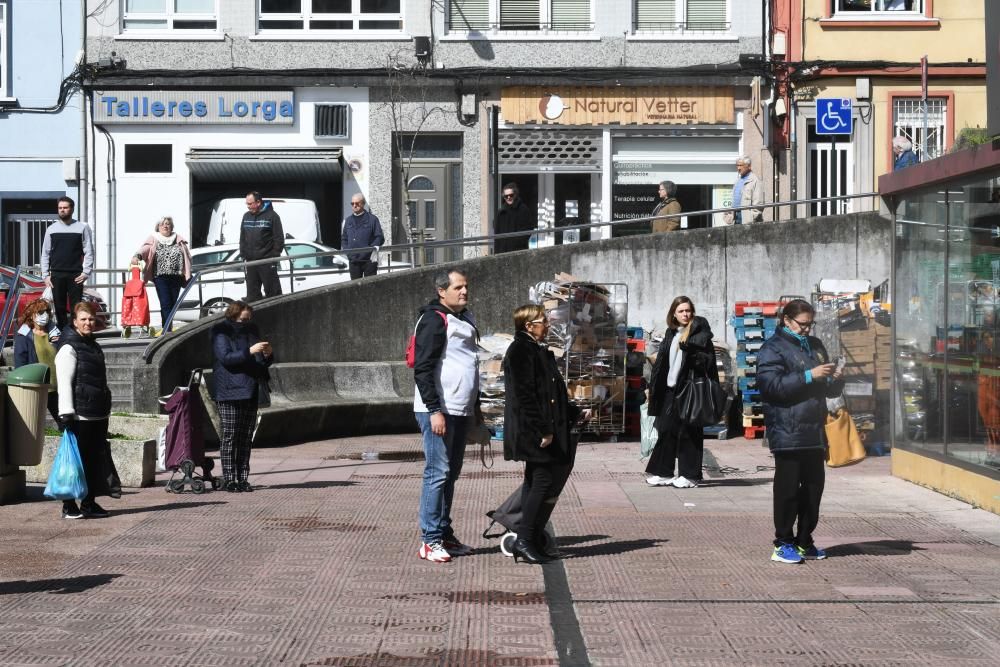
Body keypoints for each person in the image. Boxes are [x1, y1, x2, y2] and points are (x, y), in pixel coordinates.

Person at [757, 299, 844, 564]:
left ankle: (805, 539)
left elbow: (827, 389)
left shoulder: (815, 346)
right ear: (787, 320)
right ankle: (783, 541)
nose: (807, 329)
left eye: (810, 324)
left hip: (814, 430)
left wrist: (835, 379)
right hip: (788, 429)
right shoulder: (772, 349)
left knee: (814, 488)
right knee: (788, 489)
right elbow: (772, 387)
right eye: (802, 324)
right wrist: (809, 375)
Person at [502, 304, 585, 564]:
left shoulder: (539, 351)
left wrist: (574, 413)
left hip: (545, 427)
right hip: (533, 430)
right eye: (542, 321)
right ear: (529, 326)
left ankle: (531, 536)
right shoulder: (520, 351)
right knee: (541, 482)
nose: (547, 325)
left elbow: (552, 393)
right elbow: (526, 396)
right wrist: (544, 430)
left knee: (537, 482)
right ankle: (525, 539)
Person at [412, 268, 481, 563]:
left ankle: (443, 533)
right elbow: (423, 369)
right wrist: (434, 410)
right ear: (442, 291)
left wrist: (475, 411)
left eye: (466, 286)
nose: (464, 291)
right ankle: (429, 540)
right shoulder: (433, 319)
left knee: (450, 475)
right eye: (458, 287)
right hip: (438, 410)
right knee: (437, 473)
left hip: (460, 408)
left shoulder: (465, 318)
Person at [645, 296, 718, 489]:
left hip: (690, 389)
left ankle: (690, 475)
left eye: (688, 310)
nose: (686, 314)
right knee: (666, 430)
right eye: (681, 311)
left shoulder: (700, 334)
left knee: (689, 432)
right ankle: (663, 472)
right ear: (674, 314)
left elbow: (707, 362)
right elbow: (662, 363)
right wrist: (653, 388)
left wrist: (692, 352)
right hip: (670, 389)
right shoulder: (671, 333)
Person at [54, 302, 114, 519]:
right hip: (79, 414)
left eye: (91, 319)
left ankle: (89, 503)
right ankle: (69, 505)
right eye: (83, 319)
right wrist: (66, 413)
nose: (88, 323)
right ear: (74, 321)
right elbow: (64, 382)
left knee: (92, 461)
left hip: (97, 412)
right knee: (74, 462)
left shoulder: (93, 345)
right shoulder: (69, 347)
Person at [211, 301, 273, 493]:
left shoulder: (251, 329)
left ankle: (242, 477)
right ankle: (230, 479)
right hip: (229, 389)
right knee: (230, 435)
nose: (246, 322)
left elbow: (260, 362)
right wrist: (249, 351)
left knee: (246, 436)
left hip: (250, 387)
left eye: (248, 319)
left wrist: (268, 355)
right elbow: (226, 358)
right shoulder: (220, 330)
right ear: (233, 315)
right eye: (243, 319)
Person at [40, 196, 94, 329]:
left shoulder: (82, 228)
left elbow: (89, 251)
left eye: (65, 207)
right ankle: (64, 334)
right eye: (60, 208)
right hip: (56, 275)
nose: (62, 210)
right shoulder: (51, 229)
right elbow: (45, 253)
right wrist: (45, 275)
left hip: (76, 275)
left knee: (77, 307)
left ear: (72, 209)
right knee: (59, 308)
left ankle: (77, 334)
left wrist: (86, 272)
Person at [133, 216, 193, 332]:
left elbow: (188, 256)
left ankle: (167, 328)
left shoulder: (178, 239)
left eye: (168, 224)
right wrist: (137, 256)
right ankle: (166, 330)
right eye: (163, 224)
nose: (165, 226)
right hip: (160, 277)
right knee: (165, 303)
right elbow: (144, 249)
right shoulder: (154, 238)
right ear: (158, 227)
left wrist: (188, 271)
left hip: (176, 277)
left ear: (171, 227)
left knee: (173, 305)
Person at [14, 298, 62, 429]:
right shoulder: (24, 336)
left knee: (66, 424)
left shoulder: (55, 333)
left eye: (46, 311)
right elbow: (20, 363)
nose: (44, 315)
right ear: (31, 314)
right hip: (37, 387)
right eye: (40, 312)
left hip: (57, 388)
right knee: (31, 425)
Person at [240, 191, 284, 302]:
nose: (248, 206)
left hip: (267, 261)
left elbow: (279, 238)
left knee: (273, 292)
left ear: (258, 202)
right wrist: (243, 253)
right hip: (250, 262)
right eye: (247, 204)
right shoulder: (246, 216)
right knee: (252, 294)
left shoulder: (272, 216)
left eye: (250, 204)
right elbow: (242, 237)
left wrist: (274, 256)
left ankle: (276, 316)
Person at [341, 193, 385, 279]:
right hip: (354, 261)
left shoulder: (373, 219)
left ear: (363, 203)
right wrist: (348, 253)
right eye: (352, 203)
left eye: (357, 203)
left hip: (369, 261)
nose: (354, 205)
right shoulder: (348, 220)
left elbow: (379, 237)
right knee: (355, 288)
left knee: (369, 287)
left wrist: (369, 250)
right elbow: (344, 239)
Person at [493, 183, 534, 254]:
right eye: (506, 196)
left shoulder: (523, 209)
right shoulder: (501, 212)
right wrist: (496, 252)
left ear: (515, 195)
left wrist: (517, 243)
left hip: (518, 250)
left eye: (511, 195)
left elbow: (528, 228)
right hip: (502, 251)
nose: (508, 197)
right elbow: (497, 234)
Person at [724, 156, 764, 225]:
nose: (738, 168)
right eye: (737, 165)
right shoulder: (738, 180)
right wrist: (729, 216)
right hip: (735, 216)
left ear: (748, 166)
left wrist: (751, 218)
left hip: (747, 219)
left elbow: (759, 203)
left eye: (741, 165)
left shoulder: (755, 181)